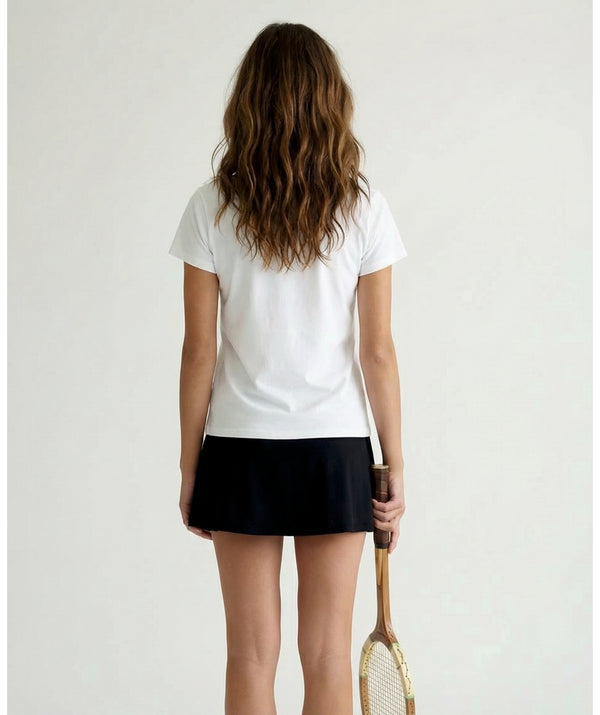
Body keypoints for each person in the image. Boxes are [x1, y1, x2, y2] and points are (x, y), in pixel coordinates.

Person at [168, 22, 407, 715]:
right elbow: (378, 350)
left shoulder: (211, 207)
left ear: (248, 101)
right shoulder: (363, 208)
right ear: (332, 101)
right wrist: (393, 462)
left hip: (240, 450)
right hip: (335, 450)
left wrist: (190, 466)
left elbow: (198, 351)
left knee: (249, 656)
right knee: (328, 656)